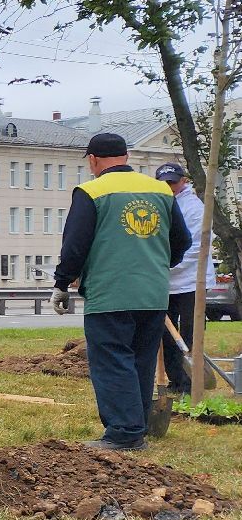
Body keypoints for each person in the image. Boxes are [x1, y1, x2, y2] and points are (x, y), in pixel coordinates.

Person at [51, 132, 190, 451]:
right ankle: (136, 428)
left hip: (110, 293)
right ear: (126, 156)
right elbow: (181, 241)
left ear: (93, 160)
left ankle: (124, 434)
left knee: (112, 359)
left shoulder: (91, 191)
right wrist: (154, 263)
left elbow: (75, 245)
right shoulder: (159, 189)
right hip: (153, 294)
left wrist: (62, 283)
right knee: (141, 359)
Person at [154, 162, 206, 396]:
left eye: (173, 182)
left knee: (189, 333)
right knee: (164, 332)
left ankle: (190, 381)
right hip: (164, 280)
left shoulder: (194, 207)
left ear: (183, 180)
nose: (169, 186)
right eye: (164, 183)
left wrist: (169, 265)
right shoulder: (157, 202)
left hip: (190, 280)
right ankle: (176, 381)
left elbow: (194, 246)